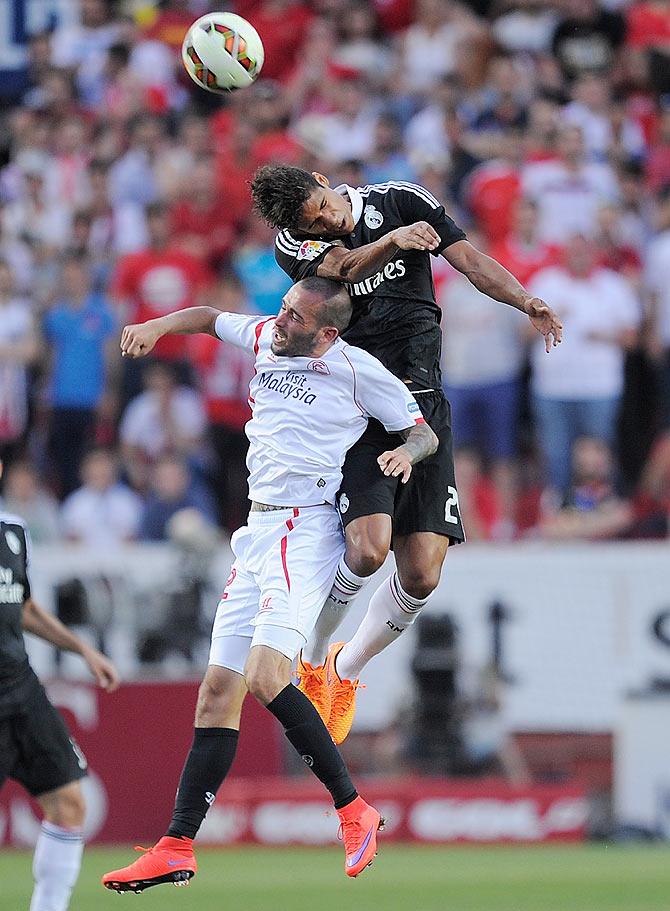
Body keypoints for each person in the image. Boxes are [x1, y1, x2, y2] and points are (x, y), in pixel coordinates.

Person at [102, 277, 437, 892]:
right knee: (216, 692)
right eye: (283, 310)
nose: (279, 322)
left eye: (295, 318)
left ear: (327, 334)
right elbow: (206, 316)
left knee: (264, 676)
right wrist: (156, 327)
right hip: (256, 531)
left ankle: (352, 809)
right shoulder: (265, 336)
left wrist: (406, 456)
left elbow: (422, 429)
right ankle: (177, 845)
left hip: (304, 531)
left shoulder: (357, 369)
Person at [250, 164, 562, 744]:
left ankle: (345, 670)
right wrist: (391, 241)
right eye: (311, 221)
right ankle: (314, 658)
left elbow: (467, 260)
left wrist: (526, 300)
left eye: (320, 206)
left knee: (421, 572)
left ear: (324, 179)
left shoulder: (401, 199)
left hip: (423, 406)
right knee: (366, 552)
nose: (323, 221)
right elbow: (343, 268)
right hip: (358, 413)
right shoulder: (296, 242)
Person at [0, 459, 120, 911]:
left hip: (22, 689)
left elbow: (24, 607)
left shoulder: (13, 532)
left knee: (70, 804)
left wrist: (82, 650)